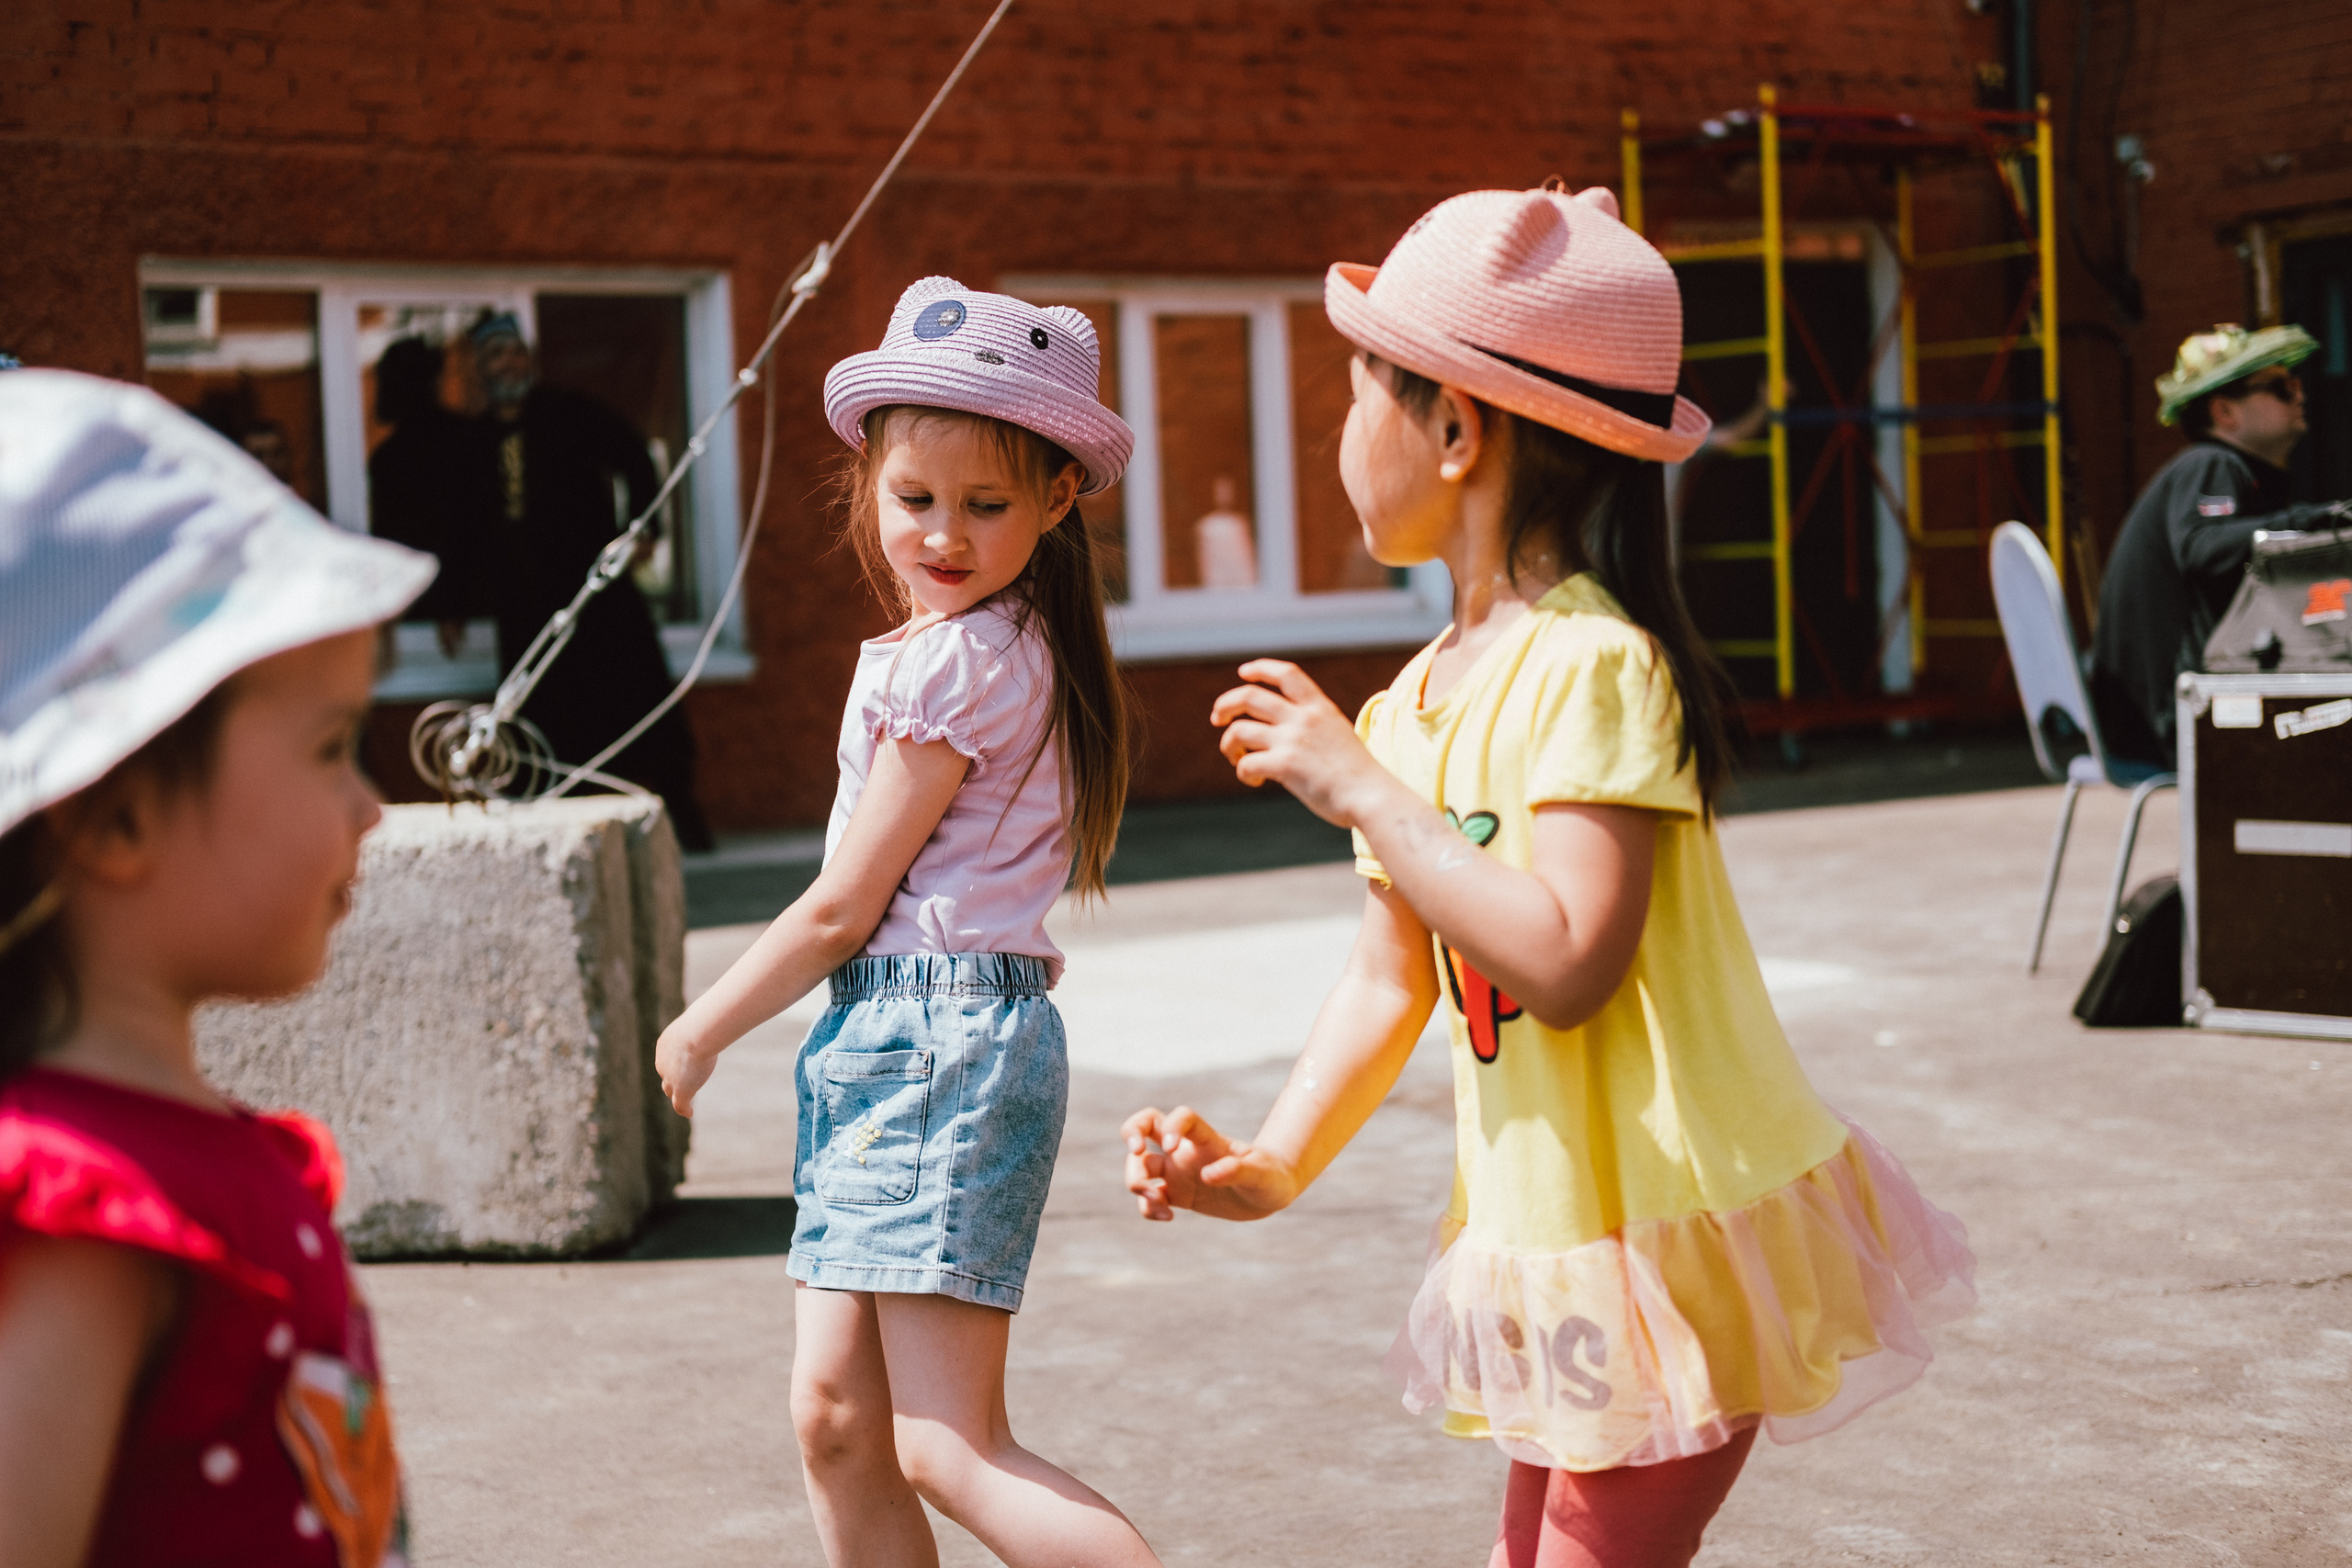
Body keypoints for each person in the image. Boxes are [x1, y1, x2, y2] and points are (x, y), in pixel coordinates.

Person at [1121, 188, 1977, 1568]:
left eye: (1356, 395)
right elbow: (1391, 972)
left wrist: (1360, 789)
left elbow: (1571, 957)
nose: (1336, 433)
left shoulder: (1593, 664)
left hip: (1669, 1236)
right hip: (1549, 1240)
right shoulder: (1406, 708)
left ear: (1457, 429)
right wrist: (1274, 1162)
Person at [651, 279, 1160, 1566]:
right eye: (914, 498)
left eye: (986, 505)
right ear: (867, 483)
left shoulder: (955, 660)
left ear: (1056, 503)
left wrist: (700, 1025)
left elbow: (840, 905)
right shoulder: (1002, 642)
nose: (942, 533)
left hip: (935, 1042)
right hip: (904, 1041)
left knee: (945, 1443)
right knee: (835, 1414)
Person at [0, 371, 435, 1565]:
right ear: (113, 813)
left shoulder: (183, 1158)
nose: (371, 807)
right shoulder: (81, 1215)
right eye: (333, 746)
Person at [469, 312, 714, 851]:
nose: (508, 363)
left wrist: (644, 527)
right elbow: (464, 526)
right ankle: (561, 837)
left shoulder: (568, 412)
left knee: (639, 699)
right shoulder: (477, 438)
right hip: (527, 602)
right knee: (542, 711)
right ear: (479, 370)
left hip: (595, 590)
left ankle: (683, 819)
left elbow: (634, 454)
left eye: (515, 352)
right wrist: (456, 604)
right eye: (495, 356)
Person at [2091, 323, 2352, 766]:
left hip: (2156, 720)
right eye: (2280, 388)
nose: (2300, 393)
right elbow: (2202, 546)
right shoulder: (2211, 464)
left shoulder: (2224, 471)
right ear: (2225, 413)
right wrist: (2311, 521)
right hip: (2172, 723)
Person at [368, 335, 495, 655]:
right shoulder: (390, 458)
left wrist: (451, 607)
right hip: (424, 607)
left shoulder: (456, 443)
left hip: (467, 611)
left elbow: (462, 528)